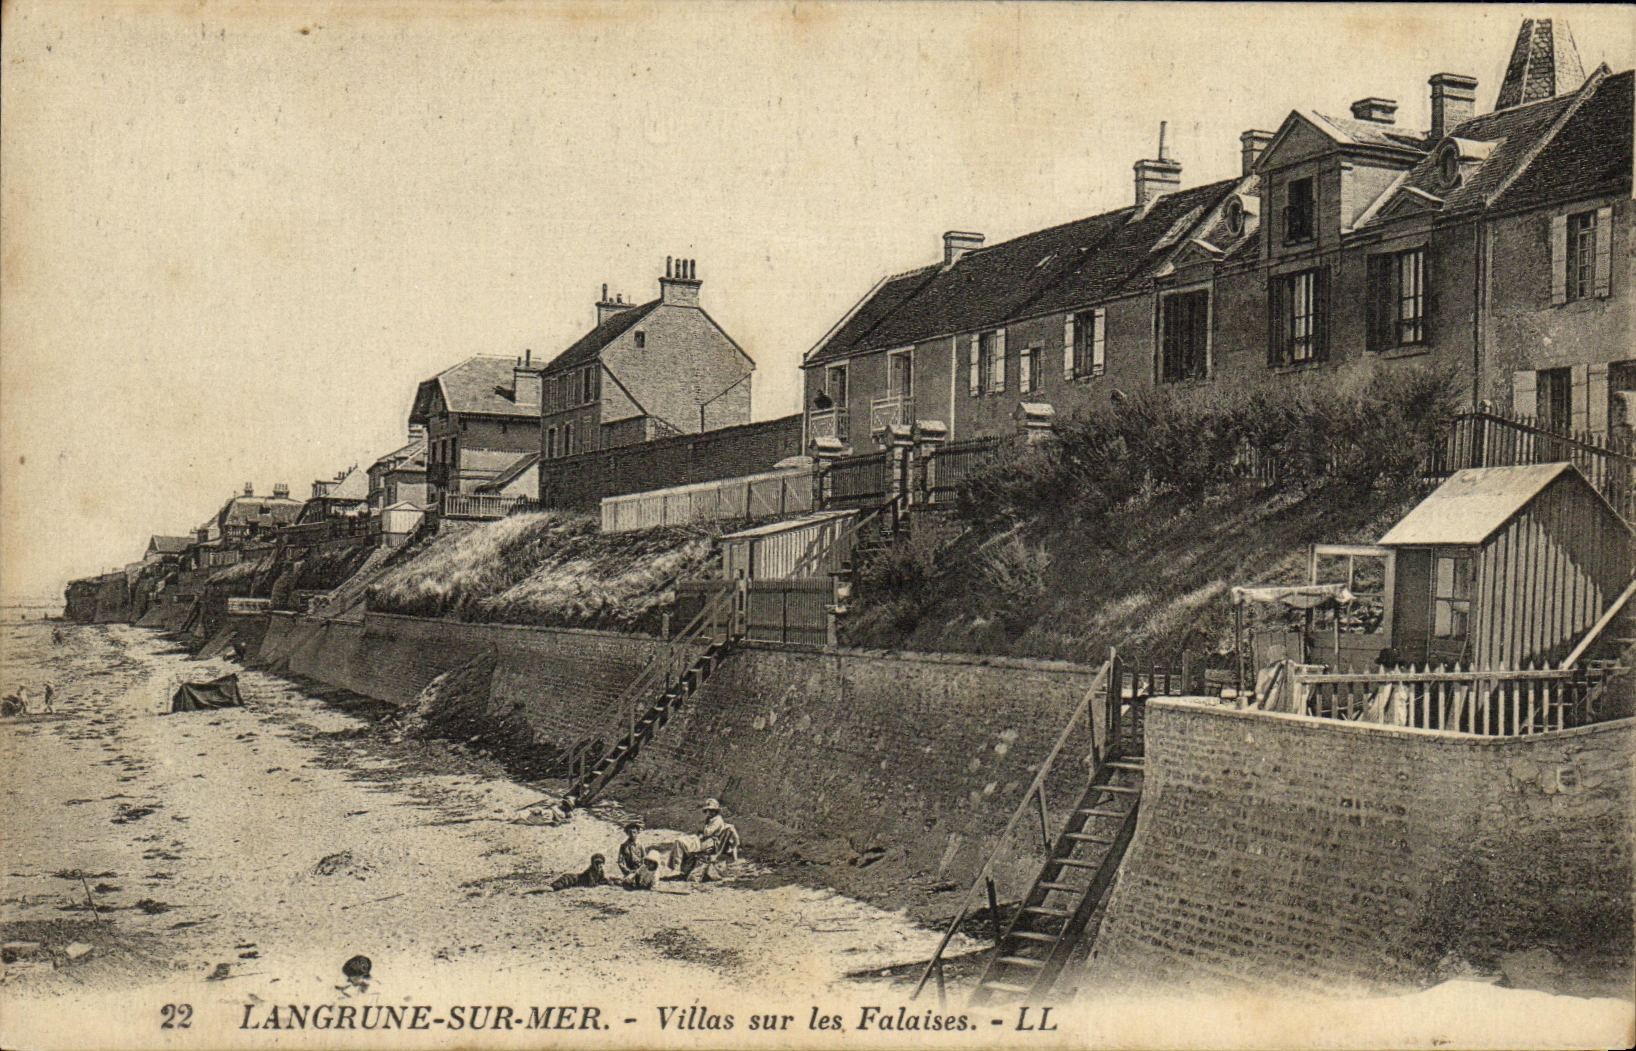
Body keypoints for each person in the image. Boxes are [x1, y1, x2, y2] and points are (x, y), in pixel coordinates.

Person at [667, 799, 739, 879]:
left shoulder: (717, 820)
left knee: (681, 842)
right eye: (708, 810)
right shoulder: (710, 819)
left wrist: (701, 828)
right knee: (680, 841)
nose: (710, 812)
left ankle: (677, 868)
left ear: (716, 811)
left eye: (712, 810)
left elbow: (707, 832)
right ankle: (677, 867)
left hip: (710, 842)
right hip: (704, 840)